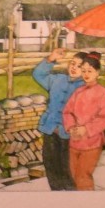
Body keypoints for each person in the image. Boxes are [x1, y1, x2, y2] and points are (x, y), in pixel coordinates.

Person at [29, 45, 82, 190]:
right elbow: (38, 74)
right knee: (50, 163)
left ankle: (71, 194)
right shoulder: (57, 79)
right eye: (72, 63)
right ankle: (56, 192)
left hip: (70, 134)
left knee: (68, 168)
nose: (74, 67)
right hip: (51, 129)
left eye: (79, 66)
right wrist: (51, 58)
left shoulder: (85, 87)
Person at [61, 51, 105, 190]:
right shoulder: (78, 92)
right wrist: (71, 127)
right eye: (83, 71)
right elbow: (67, 112)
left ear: (97, 72)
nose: (86, 74)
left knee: (83, 176)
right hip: (75, 141)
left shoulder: (103, 93)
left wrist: (86, 129)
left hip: (92, 142)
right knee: (73, 174)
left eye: (90, 71)